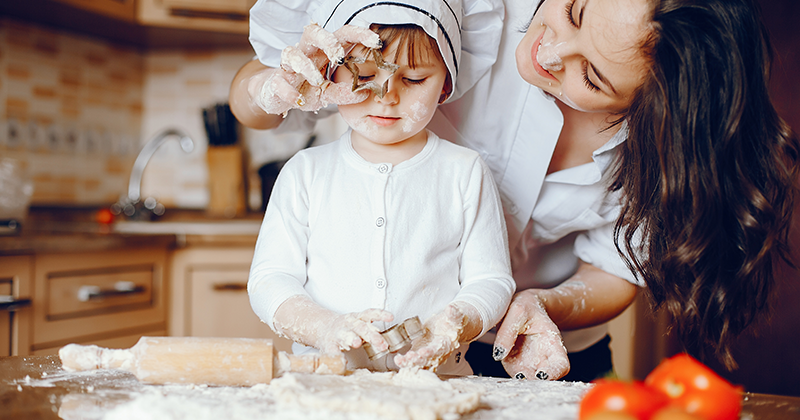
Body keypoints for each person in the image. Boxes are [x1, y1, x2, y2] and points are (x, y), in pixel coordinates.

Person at [233, 0, 800, 382]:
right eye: (572, 11)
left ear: (654, 107)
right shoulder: (462, 18)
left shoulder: (657, 147)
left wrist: (535, 303)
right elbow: (253, 98)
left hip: (549, 350)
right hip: (384, 359)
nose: (549, 52)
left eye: (592, 76)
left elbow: (613, 271)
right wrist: (274, 88)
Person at [246, 0, 516, 376]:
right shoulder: (305, 172)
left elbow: (491, 280)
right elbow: (269, 279)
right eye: (365, 75)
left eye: (414, 79)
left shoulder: (465, 171)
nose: (387, 96)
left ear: (446, 84)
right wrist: (321, 326)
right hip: (322, 383)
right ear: (328, 73)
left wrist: (459, 321)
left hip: (438, 383)